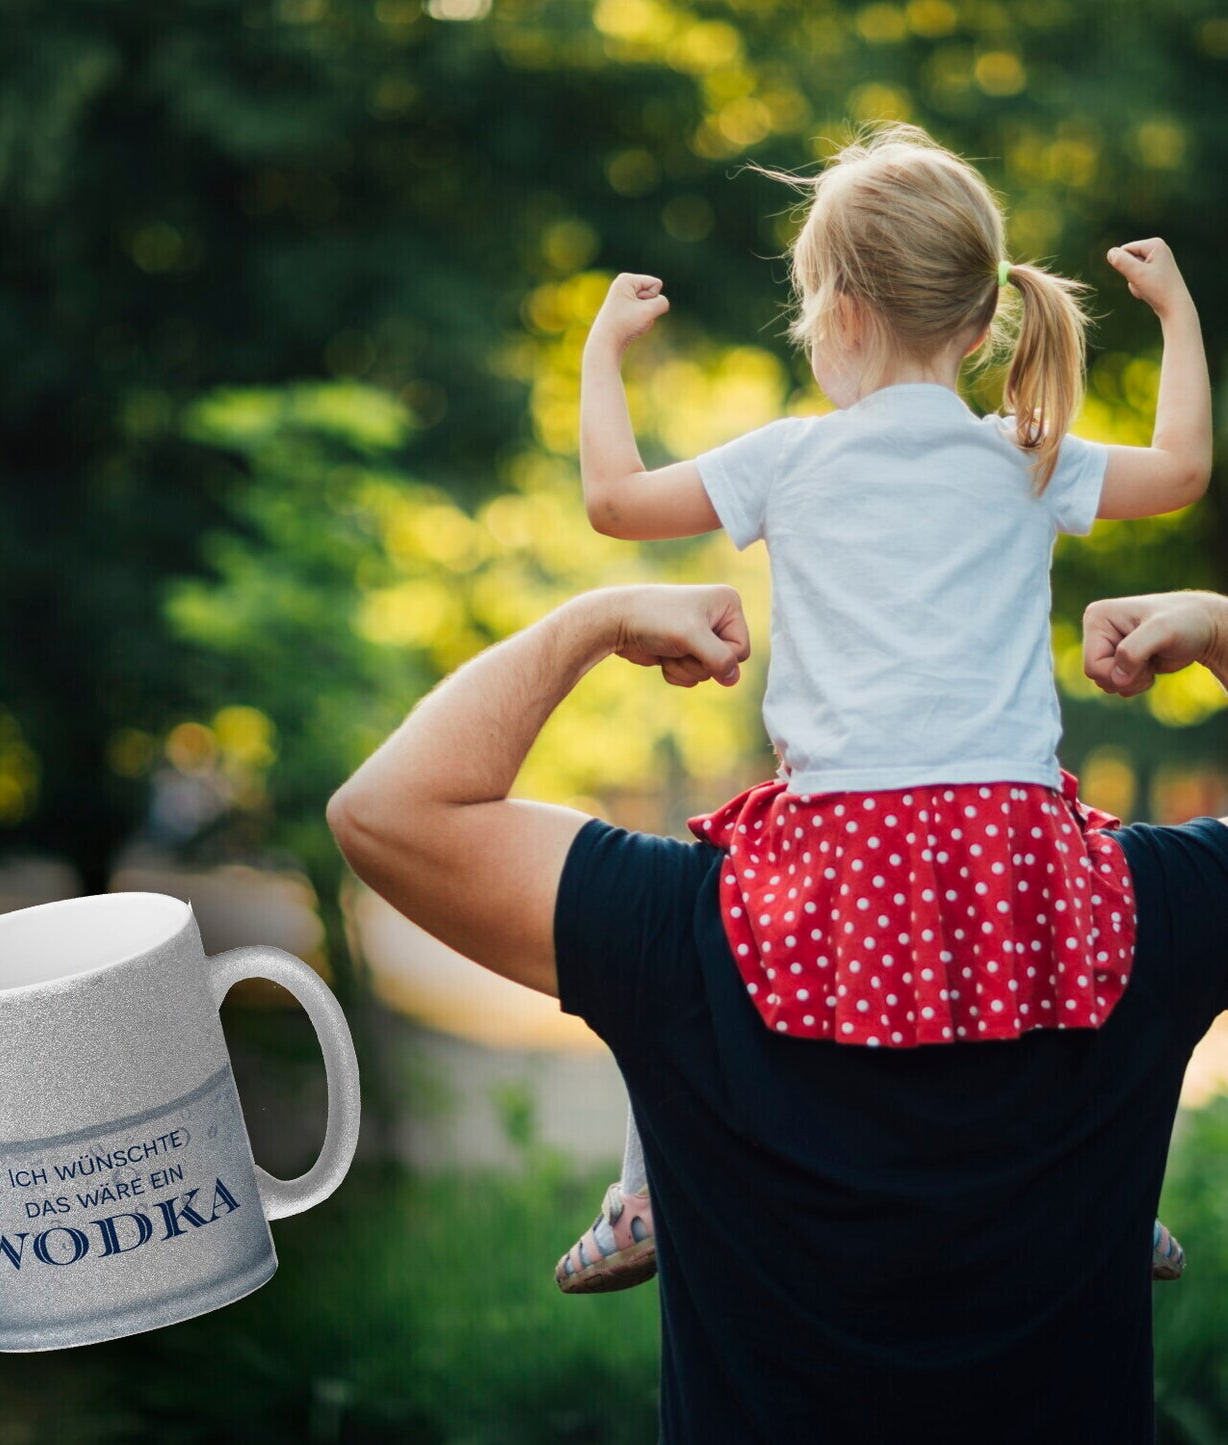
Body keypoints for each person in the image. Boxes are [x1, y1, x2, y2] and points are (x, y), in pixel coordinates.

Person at [327, 583, 1228, 1443]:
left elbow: (386, 811)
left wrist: (591, 624)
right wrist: (1220, 629)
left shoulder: (687, 923)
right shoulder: (1137, 910)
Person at [559, 122, 1209, 1292]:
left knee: (679, 942)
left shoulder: (788, 459)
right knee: (1101, 951)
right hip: (1009, 829)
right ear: (977, 321)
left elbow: (612, 500)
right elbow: (1180, 469)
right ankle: (1121, 1196)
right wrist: (1175, 318)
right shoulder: (1027, 451)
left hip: (840, 833)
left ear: (837, 315)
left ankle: (645, 1196)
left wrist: (599, 350)